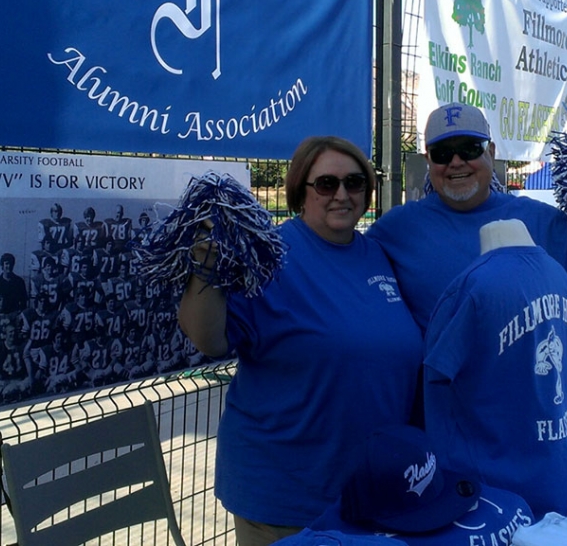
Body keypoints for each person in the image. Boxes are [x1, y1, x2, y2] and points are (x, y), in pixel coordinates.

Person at [178, 136, 423, 546]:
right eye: (326, 183)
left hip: (372, 490)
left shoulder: (377, 254)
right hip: (286, 499)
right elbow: (210, 339)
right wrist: (205, 264)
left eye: (355, 182)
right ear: (300, 191)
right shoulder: (269, 256)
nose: (342, 194)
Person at [366, 102, 567, 329]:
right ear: (429, 162)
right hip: (438, 391)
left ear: (491, 152)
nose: (456, 161)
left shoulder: (539, 220)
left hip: (523, 389)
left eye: (470, 148)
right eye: (442, 153)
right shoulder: (397, 229)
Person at [423, 219, 567, 516]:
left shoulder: (471, 288)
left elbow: (438, 374)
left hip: (489, 499)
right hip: (561, 485)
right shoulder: (559, 274)